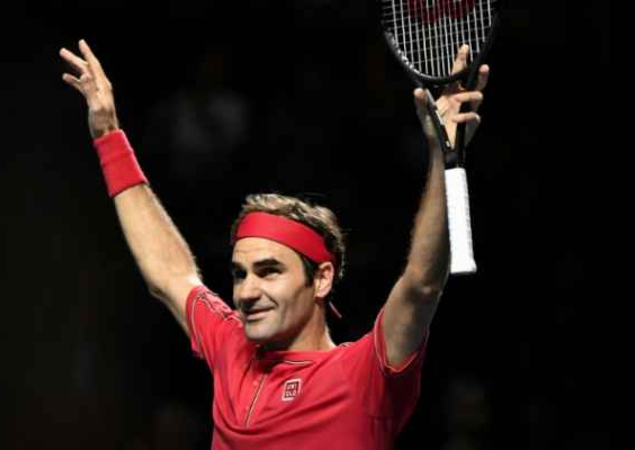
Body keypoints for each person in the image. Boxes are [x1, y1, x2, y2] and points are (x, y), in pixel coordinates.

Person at [59, 39, 489, 449]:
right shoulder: (231, 346)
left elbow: (421, 285)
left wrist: (443, 157)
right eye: (240, 274)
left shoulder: (365, 373)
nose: (246, 292)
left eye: (269, 271)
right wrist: (108, 135)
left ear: (321, 279)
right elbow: (170, 274)